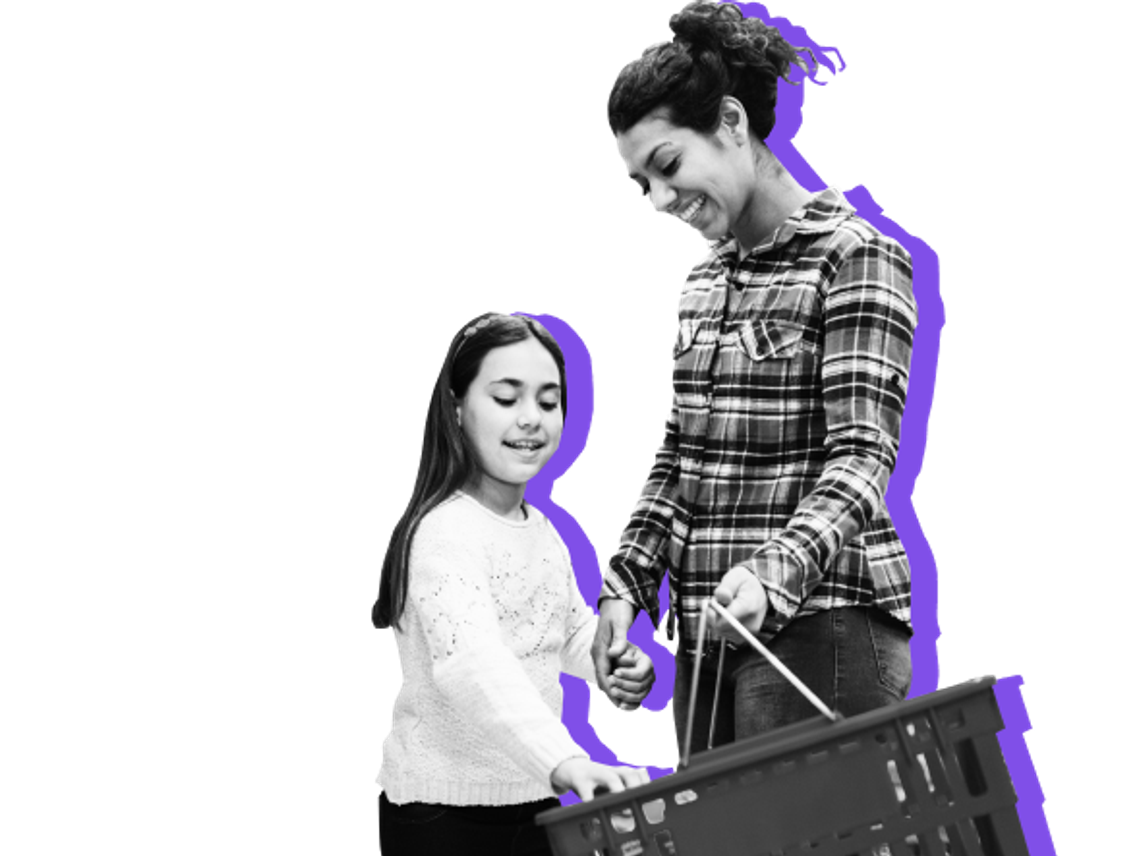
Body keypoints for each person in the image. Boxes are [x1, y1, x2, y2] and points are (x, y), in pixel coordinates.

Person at [594, 0, 918, 765]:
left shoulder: (854, 257)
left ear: (732, 123)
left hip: (820, 624)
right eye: (641, 184)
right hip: (709, 635)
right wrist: (624, 589)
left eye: (668, 166)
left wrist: (774, 574)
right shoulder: (702, 284)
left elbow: (862, 455)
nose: (661, 200)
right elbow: (679, 454)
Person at [373, 312, 655, 856]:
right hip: (443, 815)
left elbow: (563, 632)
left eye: (548, 402)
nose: (531, 418)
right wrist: (566, 761)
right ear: (456, 408)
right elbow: (474, 663)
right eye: (506, 398)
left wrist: (611, 662)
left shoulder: (541, 529)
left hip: (534, 799)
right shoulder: (444, 532)